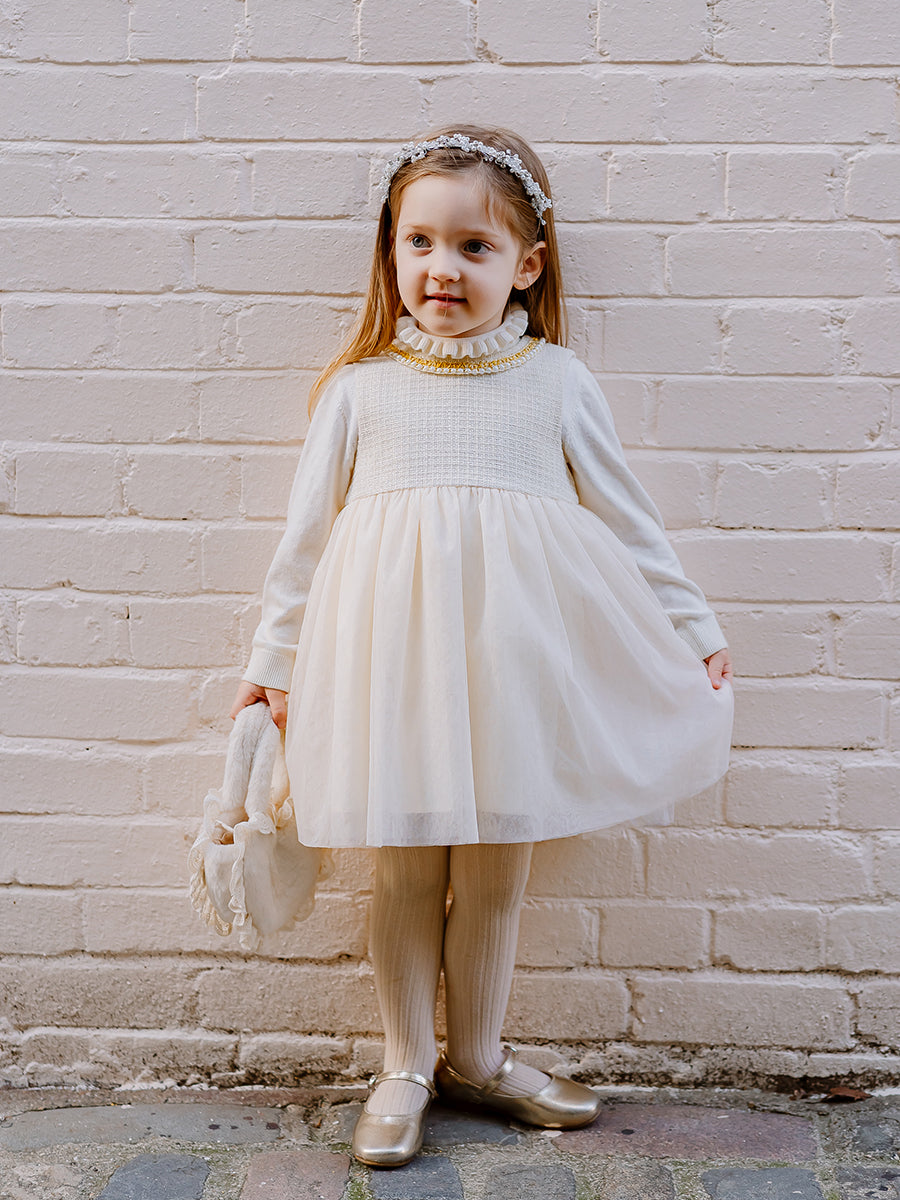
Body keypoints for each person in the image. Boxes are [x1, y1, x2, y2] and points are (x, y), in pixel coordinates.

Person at [230, 126, 734, 1168]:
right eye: (419, 242)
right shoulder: (362, 390)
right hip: (394, 669)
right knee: (407, 872)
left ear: (527, 265)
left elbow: (630, 519)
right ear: (391, 252)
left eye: (473, 247)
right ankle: (406, 1066)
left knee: (498, 872)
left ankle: (482, 1057)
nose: (442, 269)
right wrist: (274, 664)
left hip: (514, 666)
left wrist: (692, 628)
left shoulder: (556, 383)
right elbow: (303, 543)